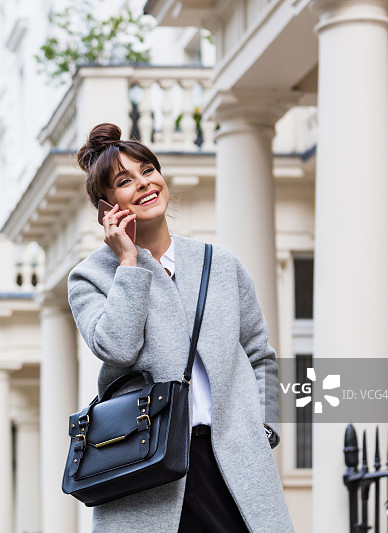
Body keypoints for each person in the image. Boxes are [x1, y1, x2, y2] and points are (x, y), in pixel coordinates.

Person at [67, 123, 295, 532]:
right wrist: (129, 265)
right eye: (125, 181)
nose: (144, 184)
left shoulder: (219, 263)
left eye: (148, 170)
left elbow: (260, 355)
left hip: (234, 462)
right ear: (106, 207)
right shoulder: (90, 277)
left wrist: (262, 429)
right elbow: (117, 348)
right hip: (149, 469)